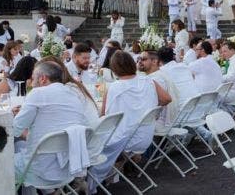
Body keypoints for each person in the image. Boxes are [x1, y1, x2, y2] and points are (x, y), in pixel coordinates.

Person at [90, 50, 169, 187]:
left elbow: (103, 116)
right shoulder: (149, 80)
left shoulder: (114, 87)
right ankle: (121, 166)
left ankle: (91, 178)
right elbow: (167, 99)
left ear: (114, 68)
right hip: (145, 136)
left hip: (125, 141)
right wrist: (149, 109)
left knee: (90, 138)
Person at [11, 60, 95, 188]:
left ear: (43, 79)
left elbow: (15, 130)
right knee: (23, 147)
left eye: (33, 78)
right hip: (68, 168)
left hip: (37, 170)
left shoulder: (37, 93)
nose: (32, 82)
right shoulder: (73, 95)